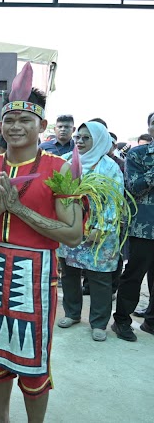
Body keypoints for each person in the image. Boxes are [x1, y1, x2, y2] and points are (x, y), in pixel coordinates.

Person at [0, 63, 83, 423]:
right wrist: (0, 207)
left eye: (25, 120)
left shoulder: (59, 168)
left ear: (41, 126)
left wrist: (20, 210)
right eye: (9, 120)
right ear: (1, 125)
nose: (16, 127)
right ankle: (1, 419)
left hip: (36, 276)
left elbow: (73, 233)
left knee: (33, 366)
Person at [56, 122, 123, 341]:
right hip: (72, 228)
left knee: (100, 279)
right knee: (70, 274)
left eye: (86, 138)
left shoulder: (109, 167)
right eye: (78, 137)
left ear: (100, 139)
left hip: (99, 231)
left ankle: (99, 323)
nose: (80, 141)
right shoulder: (68, 162)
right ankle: (73, 313)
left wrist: (101, 228)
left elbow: (115, 200)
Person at [111, 111, 154, 341]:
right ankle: (122, 321)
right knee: (134, 276)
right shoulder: (138, 154)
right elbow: (134, 187)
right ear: (149, 128)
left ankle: (151, 322)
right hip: (145, 228)